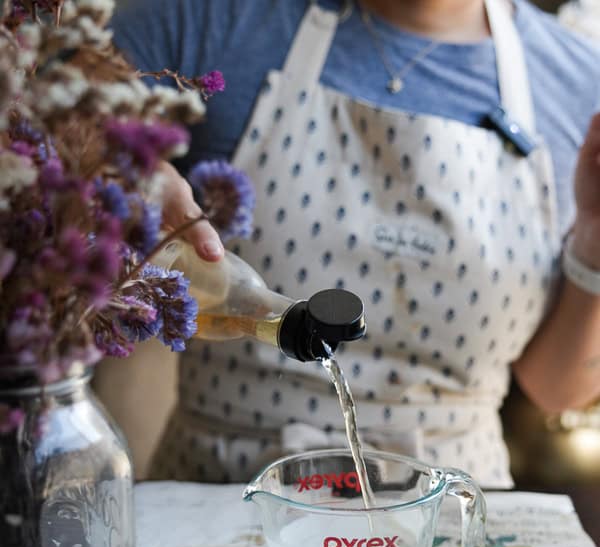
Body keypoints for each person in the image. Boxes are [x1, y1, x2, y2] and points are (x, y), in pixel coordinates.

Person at [109, 0, 600, 488]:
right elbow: (52, 149)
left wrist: (596, 241)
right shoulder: (197, 22)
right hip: (217, 500)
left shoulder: (579, 82)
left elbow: (558, 388)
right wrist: (105, 176)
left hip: (453, 518)